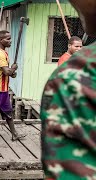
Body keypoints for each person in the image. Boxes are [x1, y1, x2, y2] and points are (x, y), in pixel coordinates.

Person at [41, 0, 96, 179]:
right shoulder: (66, 61)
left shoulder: (77, 71)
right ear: (70, 47)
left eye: (81, 47)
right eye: (77, 47)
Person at [0, 30, 25, 141]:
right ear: (0, 40)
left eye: (10, 38)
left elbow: (8, 73)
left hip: (3, 89)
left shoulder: (3, 52)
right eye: (7, 39)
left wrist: (12, 72)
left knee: (8, 113)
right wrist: (13, 69)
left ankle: (14, 134)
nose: (10, 41)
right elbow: (7, 72)